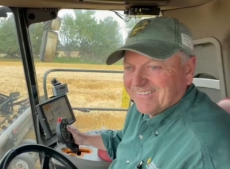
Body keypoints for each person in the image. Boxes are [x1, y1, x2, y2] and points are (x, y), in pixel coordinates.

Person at [67, 17, 230, 169]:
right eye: (129, 68)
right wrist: (83, 139)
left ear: (188, 70)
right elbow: (125, 142)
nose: (137, 82)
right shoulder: (144, 108)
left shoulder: (205, 152)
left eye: (154, 67)